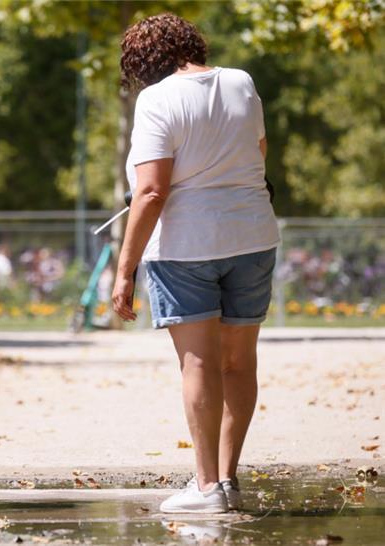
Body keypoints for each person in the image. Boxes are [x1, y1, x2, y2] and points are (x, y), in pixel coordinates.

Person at [112, 14, 279, 514]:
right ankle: (227, 480)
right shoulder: (241, 82)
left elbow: (152, 190)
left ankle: (206, 489)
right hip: (252, 236)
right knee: (239, 362)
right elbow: (258, 154)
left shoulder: (156, 99)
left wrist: (125, 268)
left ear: (143, 61)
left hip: (186, 247)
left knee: (200, 363)